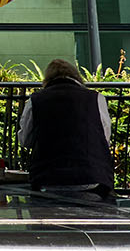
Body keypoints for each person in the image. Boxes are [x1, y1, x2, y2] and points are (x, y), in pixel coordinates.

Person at [17, 58, 114, 199]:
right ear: (76, 76)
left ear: (47, 78)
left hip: (48, 179)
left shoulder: (36, 100)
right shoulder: (96, 98)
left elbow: (25, 140)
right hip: (92, 178)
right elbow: (104, 138)